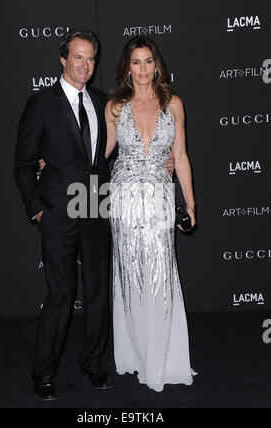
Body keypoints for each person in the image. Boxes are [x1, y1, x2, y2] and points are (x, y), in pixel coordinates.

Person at [15, 29, 176, 401]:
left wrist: (163, 157)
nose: (85, 65)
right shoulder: (40, 104)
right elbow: (23, 163)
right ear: (63, 59)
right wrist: (37, 210)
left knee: (98, 292)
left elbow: (128, 143)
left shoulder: (105, 101)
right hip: (57, 210)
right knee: (61, 293)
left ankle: (92, 361)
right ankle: (44, 371)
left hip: (98, 206)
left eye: (91, 59)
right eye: (78, 57)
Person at [105, 36, 197, 392]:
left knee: (160, 273)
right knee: (131, 275)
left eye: (147, 62)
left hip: (159, 196)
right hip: (125, 200)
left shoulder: (173, 104)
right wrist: (55, 159)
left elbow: (182, 155)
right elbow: (101, 151)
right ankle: (136, 353)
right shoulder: (115, 107)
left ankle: (164, 358)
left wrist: (189, 203)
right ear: (127, 67)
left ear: (156, 65)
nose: (142, 70)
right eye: (135, 62)